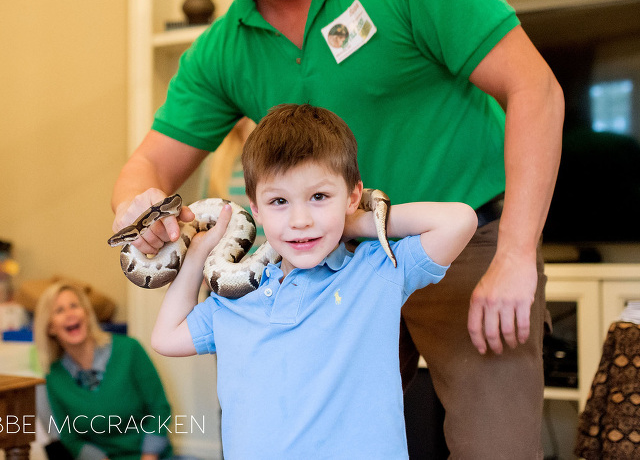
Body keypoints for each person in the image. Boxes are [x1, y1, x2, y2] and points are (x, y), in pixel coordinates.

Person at [111, 0, 565, 456]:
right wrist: (138, 209)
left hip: (465, 244)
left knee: (497, 447)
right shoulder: (221, 51)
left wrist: (516, 255)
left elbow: (536, 90)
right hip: (326, 261)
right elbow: (148, 165)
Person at [150, 103, 478, 458]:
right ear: (255, 209)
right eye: (279, 201)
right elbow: (166, 337)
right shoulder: (238, 297)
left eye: (319, 197)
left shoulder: (376, 271)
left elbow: (459, 221)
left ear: (353, 196)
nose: (301, 220)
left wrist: (355, 222)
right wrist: (198, 253)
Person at [34, 281, 173, 460]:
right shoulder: (54, 376)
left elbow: (160, 409)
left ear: (86, 313)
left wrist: (149, 456)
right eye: (59, 310)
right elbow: (69, 436)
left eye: (74, 306)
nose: (69, 314)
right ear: (50, 327)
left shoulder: (130, 350)